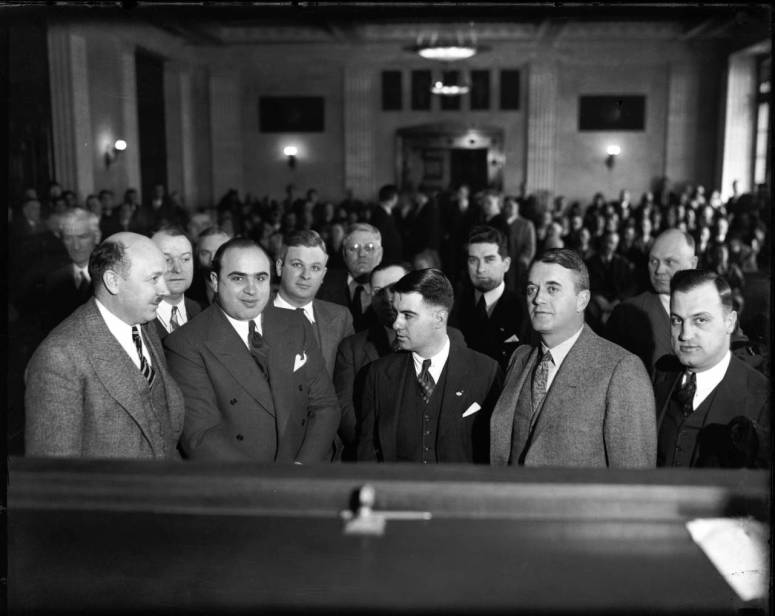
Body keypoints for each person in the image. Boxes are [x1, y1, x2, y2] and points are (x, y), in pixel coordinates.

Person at [163, 238, 340, 462]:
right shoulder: (185, 343)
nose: (252, 290)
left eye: (260, 278)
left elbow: (325, 406)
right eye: (238, 278)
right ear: (215, 281)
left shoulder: (295, 324)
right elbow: (201, 436)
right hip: (242, 483)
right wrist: (263, 483)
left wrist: (300, 468)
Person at [25, 232, 185, 459]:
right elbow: (55, 475)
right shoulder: (59, 357)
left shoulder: (144, 326)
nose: (165, 290)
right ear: (113, 281)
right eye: (153, 279)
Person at [490, 249, 656, 468]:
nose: (538, 299)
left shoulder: (621, 369)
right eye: (532, 289)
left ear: (582, 300)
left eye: (552, 289)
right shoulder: (519, 358)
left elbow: (634, 481)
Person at [357, 269, 502, 464]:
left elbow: (494, 454)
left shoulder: (486, 372)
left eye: (407, 315)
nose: (396, 324)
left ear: (439, 318)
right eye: (396, 313)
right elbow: (367, 453)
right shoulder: (378, 374)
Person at [334, 263, 466, 460]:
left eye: (395, 288)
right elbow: (345, 411)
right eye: (379, 291)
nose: (388, 298)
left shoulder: (451, 338)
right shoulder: (352, 348)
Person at [654, 270, 769, 468]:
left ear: (729, 323)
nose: (685, 334)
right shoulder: (660, 374)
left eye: (700, 320)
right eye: (677, 320)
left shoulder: (761, 397)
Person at [606, 229, 698, 375]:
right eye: (653, 261)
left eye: (669, 262)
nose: (659, 270)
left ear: (692, 264)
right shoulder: (627, 314)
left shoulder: (714, 307)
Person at [266, 229, 354, 377]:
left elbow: (345, 383)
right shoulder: (254, 314)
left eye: (315, 268)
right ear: (279, 267)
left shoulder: (340, 317)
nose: (306, 275)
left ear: (323, 275)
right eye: (297, 265)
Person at [449, 226, 530, 370]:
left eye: (489, 260)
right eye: (473, 260)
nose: (480, 269)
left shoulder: (525, 309)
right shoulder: (453, 305)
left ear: (506, 265)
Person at [40, 208, 101, 332]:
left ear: (97, 237)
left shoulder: (112, 276)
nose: (76, 246)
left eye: (82, 237)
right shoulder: (54, 280)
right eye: (68, 238)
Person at [317, 223, 383, 331]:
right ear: (344, 253)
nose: (362, 254)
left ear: (380, 254)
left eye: (369, 248)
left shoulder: (392, 287)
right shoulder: (322, 285)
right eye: (354, 248)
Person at [150, 226, 202, 339]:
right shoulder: (135, 319)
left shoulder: (201, 312)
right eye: (167, 260)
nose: (177, 269)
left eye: (185, 259)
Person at [188, 226, 232, 306]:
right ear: (197, 255)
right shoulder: (188, 289)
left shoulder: (247, 285)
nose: (212, 258)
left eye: (219, 252)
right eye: (205, 253)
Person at [370, 184, 403, 265]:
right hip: (386, 258)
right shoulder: (380, 213)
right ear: (394, 197)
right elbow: (380, 237)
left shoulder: (386, 211)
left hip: (391, 256)